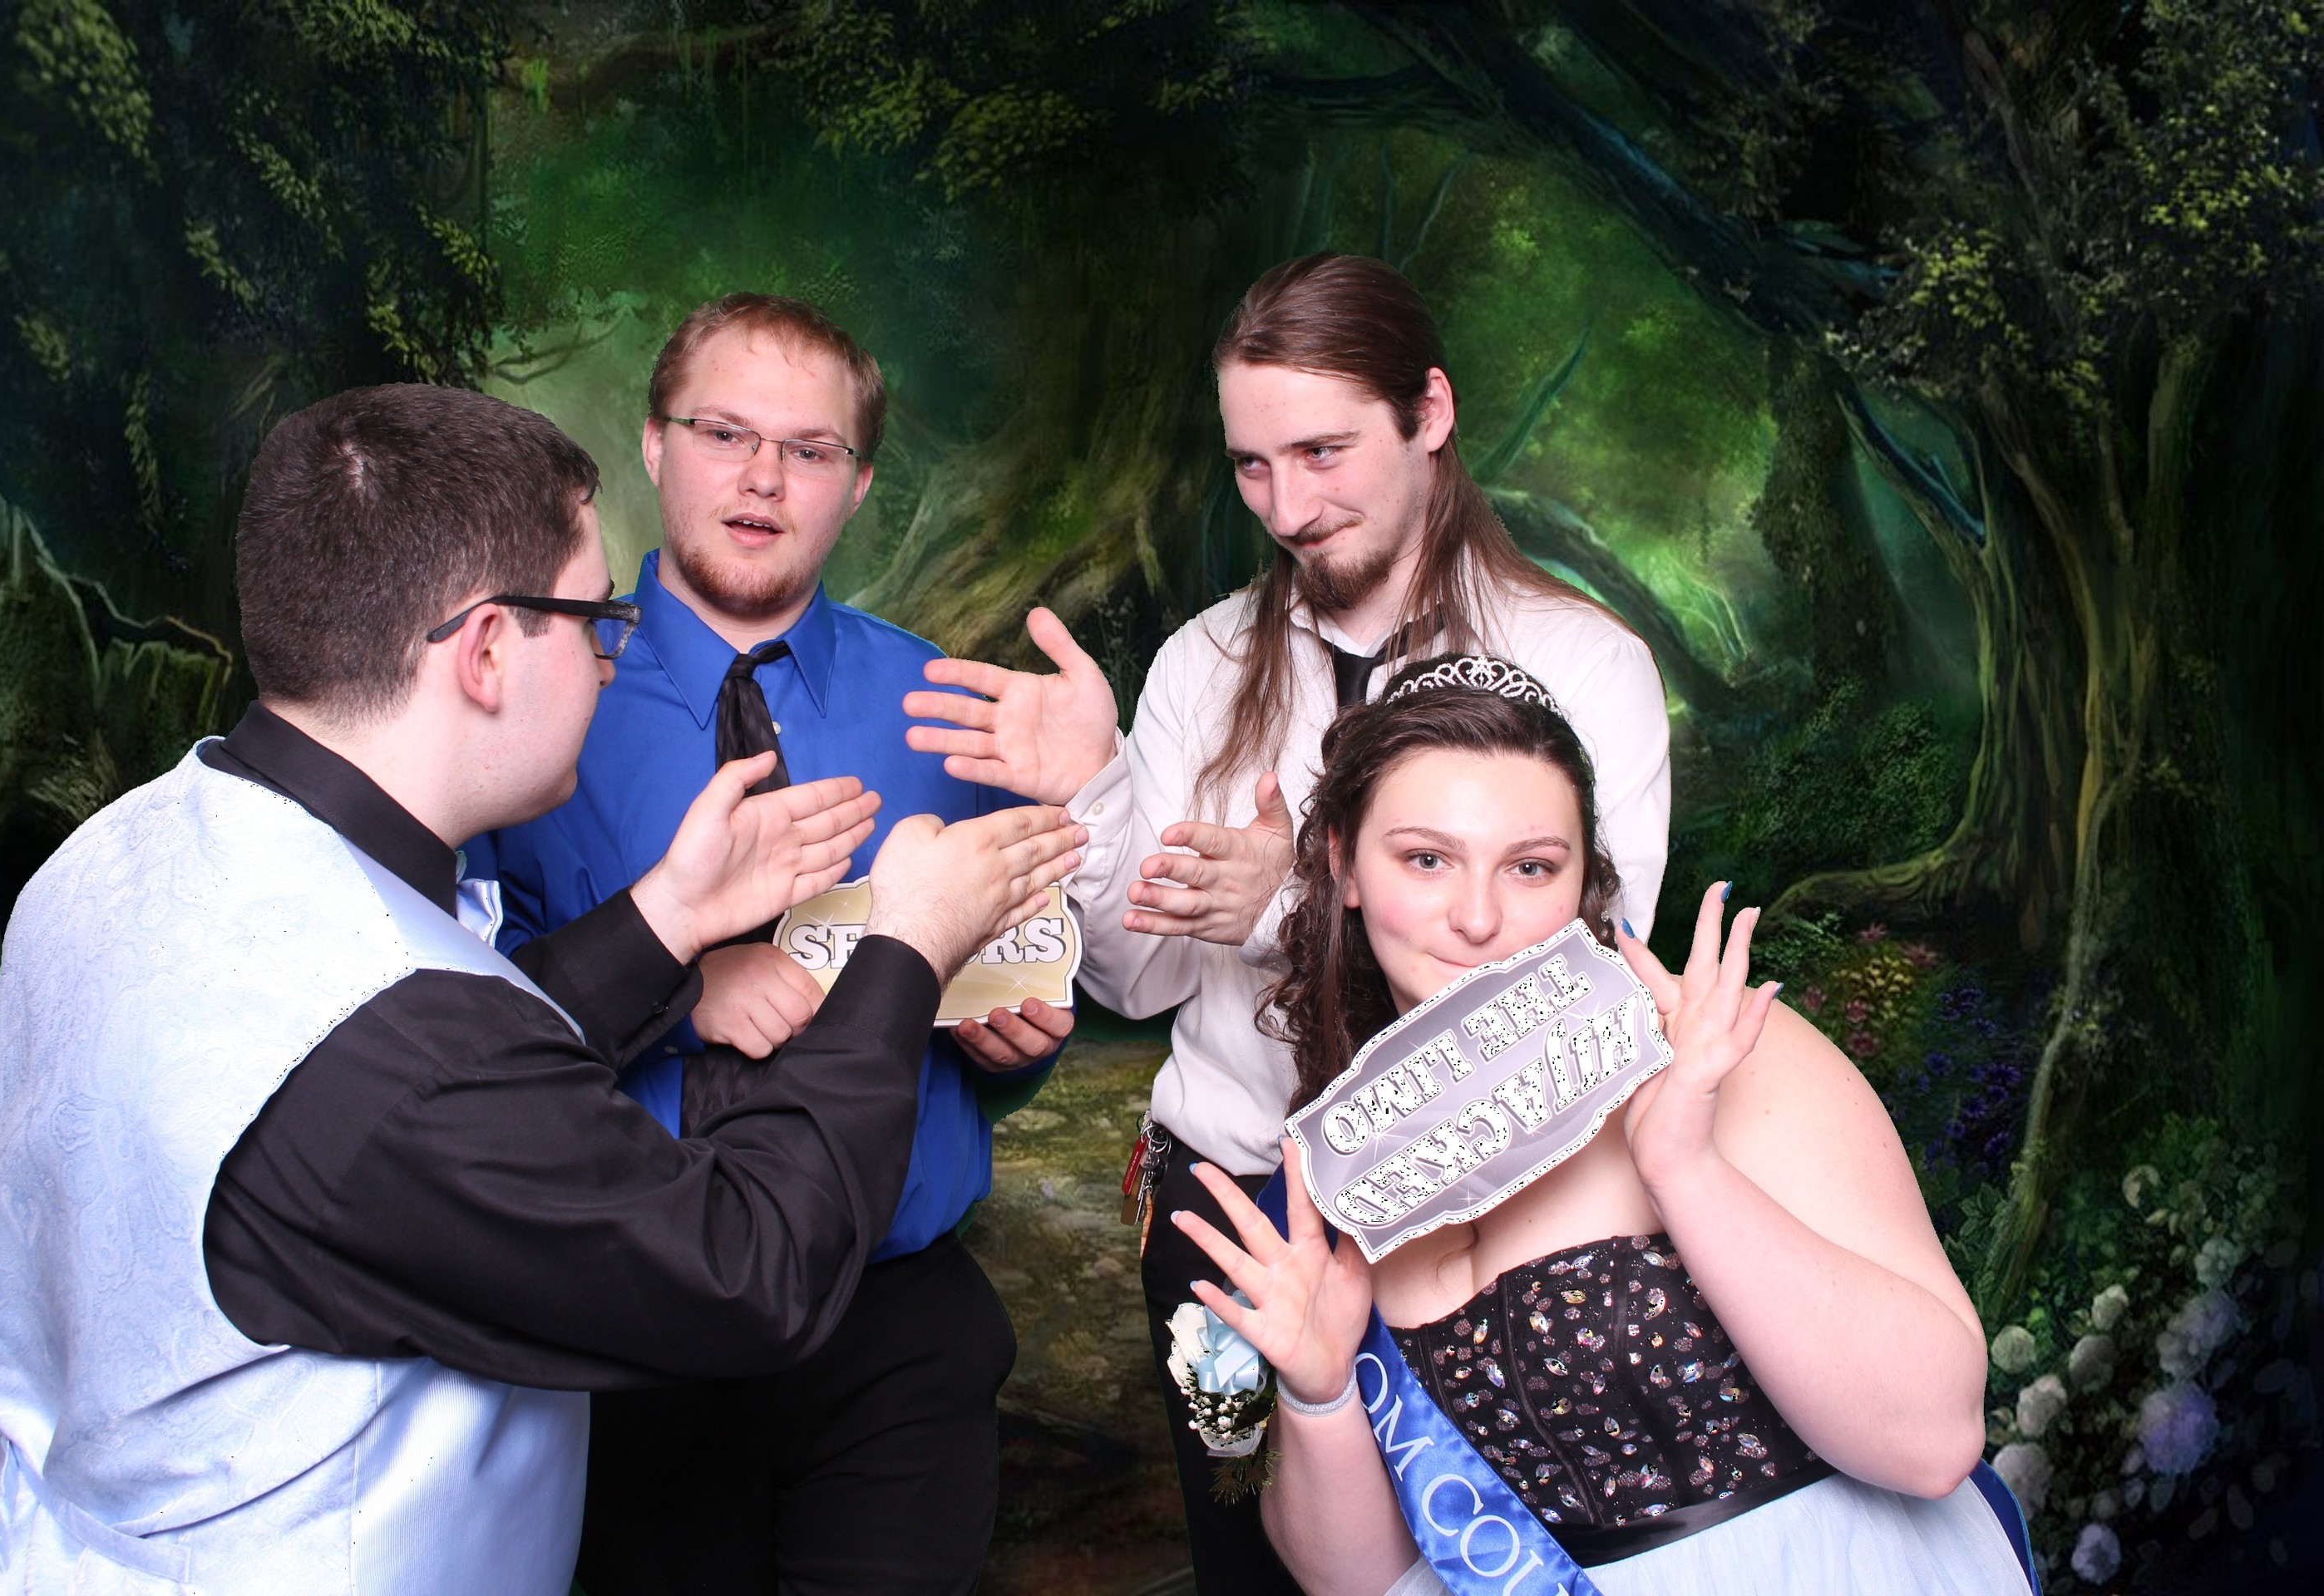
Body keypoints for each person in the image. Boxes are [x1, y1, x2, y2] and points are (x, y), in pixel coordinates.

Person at [0, 383, 1083, 1596]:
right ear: (488, 651)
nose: (609, 661)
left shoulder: (124, 847)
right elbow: (750, 1274)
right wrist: (906, 945)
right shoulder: (410, 1056)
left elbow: (403, 1053)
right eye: (596, 624)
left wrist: (665, 918)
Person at [904, 254, 1673, 1588]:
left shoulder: (1586, 666)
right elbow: (1137, 984)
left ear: (1429, 414)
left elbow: (1590, 996)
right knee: (1244, 1551)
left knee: (1466, 1561)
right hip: (1226, 1217)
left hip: (1486, 1220)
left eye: (1323, 452)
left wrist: (1299, 902)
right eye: (1253, 466)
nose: (1289, 508)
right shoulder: (1203, 663)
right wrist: (1092, 792)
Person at [1166, 653, 2029, 1595]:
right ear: (1344, 865)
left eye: (1531, 867)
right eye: (1427, 860)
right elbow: (1364, 1584)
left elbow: (1933, 1441)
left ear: (1582, 882)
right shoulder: (1348, 1172)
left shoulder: (1711, 1050)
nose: (1479, 917)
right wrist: (1322, 1392)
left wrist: (1684, 1170)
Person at [466, 293, 1073, 1596]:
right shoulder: (532, 700)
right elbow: (454, 1031)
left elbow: (1012, 994)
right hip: (629, 1319)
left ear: (858, 487)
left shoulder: (948, 708)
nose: (761, 478)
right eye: (725, 433)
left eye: (808, 450)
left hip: (894, 1325)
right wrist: (683, 991)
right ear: (653, 444)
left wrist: (1014, 1045)